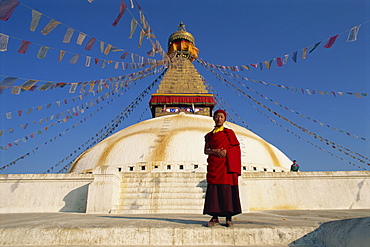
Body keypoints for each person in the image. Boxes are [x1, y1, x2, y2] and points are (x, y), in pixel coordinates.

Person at [203, 109, 242, 227]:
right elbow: (206, 150)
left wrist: (226, 151)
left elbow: (235, 148)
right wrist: (214, 151)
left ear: (224, 119)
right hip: (215, 165)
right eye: (217, 116)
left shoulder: (229, 133)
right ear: (213, 118)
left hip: (226, 166)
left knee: (227, 190)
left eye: (221, 117)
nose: (219, 119)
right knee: (214, 191)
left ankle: (228, 217)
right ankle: (214, 217)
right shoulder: (209, 135)